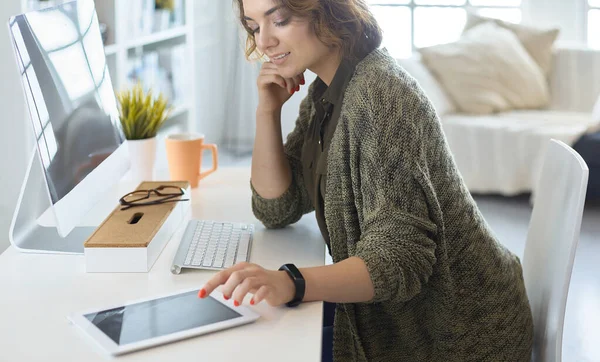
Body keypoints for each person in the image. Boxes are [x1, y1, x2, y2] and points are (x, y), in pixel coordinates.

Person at [199, 0, 534, 361]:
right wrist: (267, 110)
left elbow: (400, 259)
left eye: (279, 20)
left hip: (459, 335)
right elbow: (277, 206)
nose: (264, 41)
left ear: (326, 11)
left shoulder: (380, 95)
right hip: (403, 321)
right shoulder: (326, 91)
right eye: (253, 27)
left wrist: (291, 282)